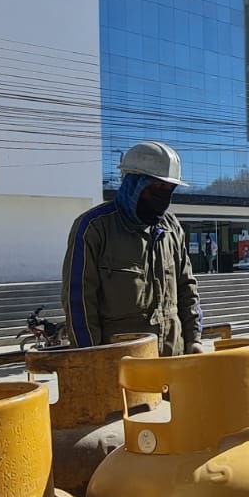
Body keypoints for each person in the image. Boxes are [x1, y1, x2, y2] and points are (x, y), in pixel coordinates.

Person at [63, 140, 203, 355]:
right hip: (122, 366)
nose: (161, 195)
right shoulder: (94, 228)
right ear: (132, 183)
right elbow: (79, 302)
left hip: (173, 360)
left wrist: (194, 339)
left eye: (168, 189)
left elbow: (187, 288)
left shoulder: (171, 228)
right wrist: (91, 359)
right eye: (155, 187)